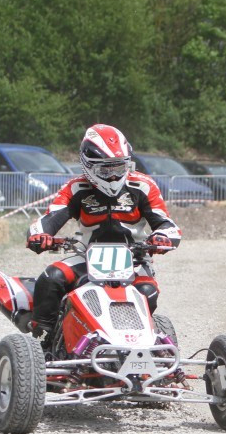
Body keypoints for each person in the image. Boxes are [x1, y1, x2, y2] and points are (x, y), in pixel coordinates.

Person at [26, 124, 181, 345]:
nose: (113, 174)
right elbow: (49, 219)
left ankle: (135, 342)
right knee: (51, 278)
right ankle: (45, 340)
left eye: (118, 167)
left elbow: (167, 223)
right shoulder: (76, 188)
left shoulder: (143, 186)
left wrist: (162, 237)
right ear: (88, 165)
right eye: (105, 169)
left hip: (135, 259)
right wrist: (40, 235)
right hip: (86, 256)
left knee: (146, 291)